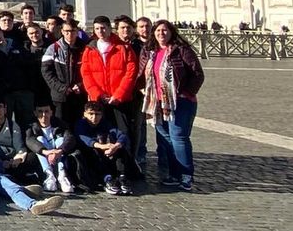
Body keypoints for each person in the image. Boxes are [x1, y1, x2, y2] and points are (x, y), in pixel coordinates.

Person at [142, 20, 205, 192]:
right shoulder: (152, 52)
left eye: (165, 30)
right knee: (167, 138)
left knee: (178, 137)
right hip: (158, 102)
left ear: (171, 32)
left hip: (180, 101)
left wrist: (186, 92)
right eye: (158, 31)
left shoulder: (181, 50)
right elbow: (145, 74)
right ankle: (175, 174)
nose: (161, 34)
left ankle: (186, 175)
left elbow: (197, 73)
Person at [79, 15, 138, 147]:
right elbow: (86, 74)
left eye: (103, 28)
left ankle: (126, 163)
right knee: (103, 133)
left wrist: (119, 94)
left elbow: (131, 73)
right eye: (97, 29)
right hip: (100, 99)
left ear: (109, 28)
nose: (100, 31)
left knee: (124, 133)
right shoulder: (89, 49)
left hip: (120, 99)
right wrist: (97, 94)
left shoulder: (124, 48)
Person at [74, 101, 133, 195]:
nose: (94, 117)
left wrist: (115, 146)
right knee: (94, 151)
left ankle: (122, 177)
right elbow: (85, 139)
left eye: (97, 114)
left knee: (121, 149)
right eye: (91, 114)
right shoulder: (81, 124)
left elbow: (121, 135)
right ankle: (107, 179)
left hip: (106, 151)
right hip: (89, 154)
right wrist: (103, 146)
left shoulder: (104, 123)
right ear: (85, 114)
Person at [24, 103, 78, 194]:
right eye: (40, 112)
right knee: (39, 139)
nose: (44, 115)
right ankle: (49, 175)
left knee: (61, 140)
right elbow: (29, 140)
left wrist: (59, 151)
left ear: (51, 112)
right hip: (44, 156)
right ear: (35, 113)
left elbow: (70, 138)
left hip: (59, 155)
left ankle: (62, 175)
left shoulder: (60, 124)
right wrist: (46, 152)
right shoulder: (31, 126)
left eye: (46, 111)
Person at [42, 20, 85, 126]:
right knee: (61, 126)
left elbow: (90, 71)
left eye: (72, 31)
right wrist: (62, 88)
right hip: (60, 97)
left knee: (79, 126)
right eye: (66, 31)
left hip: (79, 96)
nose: (69, 34)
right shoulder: (53, 48)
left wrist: (81, 85)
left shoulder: (85, 48)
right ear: (62, 31)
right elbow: (47, 72)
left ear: (77, 31)